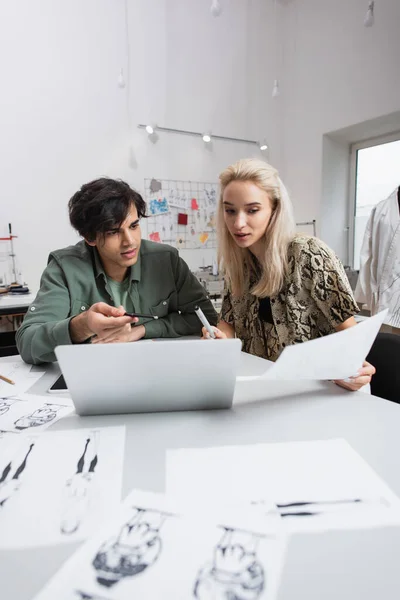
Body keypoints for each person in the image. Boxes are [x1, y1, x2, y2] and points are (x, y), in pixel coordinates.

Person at [203, 159, 375, 392]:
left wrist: (353, 371)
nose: (238, 223)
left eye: (252, 210)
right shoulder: (237, 264)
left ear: (275, 209)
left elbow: (353, 339)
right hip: (267, 390)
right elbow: (228, 326)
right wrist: (217, 338)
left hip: (325, 390)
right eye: (230, 210)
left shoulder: (309, 254)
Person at [16, 178, 217, 364]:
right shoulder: (64, 268)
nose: (130, 241)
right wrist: (82, 325)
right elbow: (27, 342)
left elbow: (206, 318)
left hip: (155, 370)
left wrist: (141, 330)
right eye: (113, 232)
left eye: (134, 225)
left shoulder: (166, 260)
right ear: (89, 237)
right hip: (92, 379)